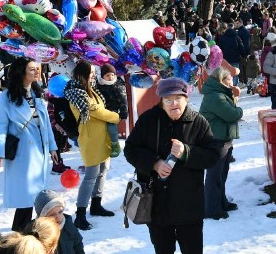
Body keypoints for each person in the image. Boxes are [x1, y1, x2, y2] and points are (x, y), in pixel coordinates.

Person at [124, 78, 221, 254]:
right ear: (161, 101)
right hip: (157, 206)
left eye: (178, 98)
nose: (173, 103)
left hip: (189, 207)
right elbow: (130, 150)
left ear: (186, 99)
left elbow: (213, 155)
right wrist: (154, 163)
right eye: (168, 99)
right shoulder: (148, 120)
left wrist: (186, 152)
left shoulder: (198, 122)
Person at [0, 57, 59, 231]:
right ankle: (19, 236)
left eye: (37, 68)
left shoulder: (37, 93)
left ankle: (32, 235)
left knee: (37, 198)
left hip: (40, 151)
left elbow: (45, 125)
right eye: (32, 69)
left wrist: (52, 147)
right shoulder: (7, 97)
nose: (37, 71)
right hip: (23, 153)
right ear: (21, 73)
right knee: (26, 200)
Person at [63, 61, 119, 230]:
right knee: (91, 175)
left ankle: (96, 204)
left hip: (102, 138)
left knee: (103, 171)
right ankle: (80, 214)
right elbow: (97, 112)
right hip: (90, 139)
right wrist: (115, 117)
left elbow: (100, 110)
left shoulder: (91, 89)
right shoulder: (76, 93)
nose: (94, 75)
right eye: (91, 73)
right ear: (82, 74)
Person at [199, 66, 243, 220]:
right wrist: (238, 106)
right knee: (214, 175)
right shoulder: (216, 96)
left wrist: (233, 97)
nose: (232, 82)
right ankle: (211, 208)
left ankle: (221, 202)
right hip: (216, 140)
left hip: (223, 138)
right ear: (222, 80)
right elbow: (232, 114)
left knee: (222, 174)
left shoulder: (220, 93)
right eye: (230, 79)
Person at [33, 189, 84, 254]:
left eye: (60, 212)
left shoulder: (69, 226)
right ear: (43, 217)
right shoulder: (35, 235)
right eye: (52, 215)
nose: (58, 217)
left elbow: (78, 247)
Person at [94, 63, 127, 157]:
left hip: (113, 111)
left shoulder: (117, 85)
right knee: (100, 128)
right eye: (107, 75)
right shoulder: (98, 84)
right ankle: (103, 146)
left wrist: (124, 114)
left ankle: (115, 144)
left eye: (112, 75)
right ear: (102, 76)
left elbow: (123, 100)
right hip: (101, 110)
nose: (110, 77)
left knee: (111, 126)